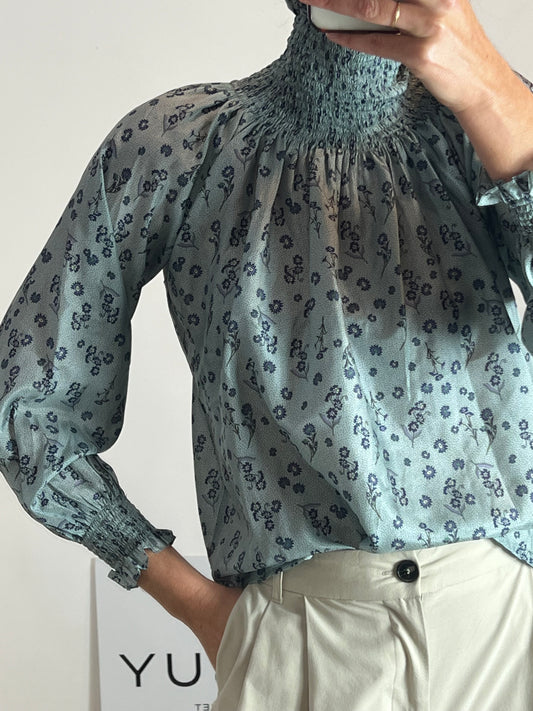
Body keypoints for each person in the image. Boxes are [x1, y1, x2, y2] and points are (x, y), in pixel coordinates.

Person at [2, 0, 533, 708]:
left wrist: (492, 90)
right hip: (301, 641)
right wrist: (203, 609)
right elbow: (29, 402)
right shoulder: (179, 145)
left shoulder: (491, 123)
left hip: (510, 625)